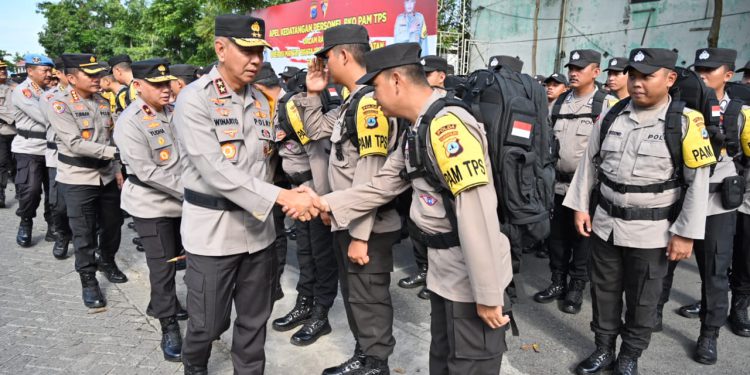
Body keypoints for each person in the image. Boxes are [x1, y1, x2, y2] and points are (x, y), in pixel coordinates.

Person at [292, 42, 514, 375]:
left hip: (470, 277)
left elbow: (477, 212)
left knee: (469, 363)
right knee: (443, 359)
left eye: (377, 87)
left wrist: (487, 292)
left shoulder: (446, 126)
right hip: (445, 272)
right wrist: (322, 202)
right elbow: (381, 185)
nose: (375, 98)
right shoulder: (418, 127)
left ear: (396, 80)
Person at [171, 14, 317, 375]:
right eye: (247, 51)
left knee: (254, 324)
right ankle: (195, 366)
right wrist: (283, 199)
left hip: (259, 232)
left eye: (260, 52)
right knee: (206, 324)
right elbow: (216, 170)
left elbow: (264, 163)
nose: (256, 60)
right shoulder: (194, 99)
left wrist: (297, 189)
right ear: (221, 49)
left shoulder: (262, 99)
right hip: (214, 234)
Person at [564, 48, 713, 375]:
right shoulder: (612, 114)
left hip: (653, 234)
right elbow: (589, 165)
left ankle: (629, 356)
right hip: (605, 225)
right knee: (603, 293)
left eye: (647, 75)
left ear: (670, 78)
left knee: (644, 300)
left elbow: (698, 183)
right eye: (634, 75)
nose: (637, 82)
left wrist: (685, 234)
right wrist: (579, 207)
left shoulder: (686, 122)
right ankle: (603, 349)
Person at [296, 24, 402, 375]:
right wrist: (314, 94)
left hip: (365, 225)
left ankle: (375, 364)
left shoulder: (370, 104)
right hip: (345, 218)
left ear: (342, 55)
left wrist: (359, 234)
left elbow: (372, 177)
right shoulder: (351, 101)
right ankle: (366, 353)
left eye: (326, 58)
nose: (324, 65)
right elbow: (314, 132)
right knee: (356, 295)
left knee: (368, 297)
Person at [658, 49, 750, 363]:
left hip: (717, 203)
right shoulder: (676, 106)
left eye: (711, 69)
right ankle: (652, 315)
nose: (702, 73)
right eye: (699, 68)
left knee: (714, 272)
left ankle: (708, 335)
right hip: (679, 197)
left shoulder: (740, 112)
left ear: (728, 74)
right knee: (664, 261)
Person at [113, 58, 186, 363]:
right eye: (157, 85)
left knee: (185, 260)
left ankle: (161, 303)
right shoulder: (130, 121)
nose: (166, 90)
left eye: (167, 83)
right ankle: (168, 324)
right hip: (151, 204)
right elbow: (147, 172)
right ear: (138, 86)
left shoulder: (176, 112)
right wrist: (195, 192)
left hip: (184, 204)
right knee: (163, 265)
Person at [534, 49, 616, 315]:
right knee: (557, 239)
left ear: (595, 72)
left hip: (588, 189)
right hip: (557, 185)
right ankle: (557, 281)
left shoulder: (606, 105)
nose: (573, 72)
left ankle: (576, 287)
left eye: (580, 68)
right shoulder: (558, 103)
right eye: (571, 67)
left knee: (582, 240)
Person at [48, 53, 126, 309]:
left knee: (113, 225)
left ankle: (107, 260)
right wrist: (114, 155)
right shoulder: (59, 104)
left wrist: (115, 168)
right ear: (71, 78)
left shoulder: (103, 102)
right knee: (83, 232)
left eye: (98, 74)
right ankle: (88, 279)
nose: (97, 78)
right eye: (90, 75)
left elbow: (109, 139)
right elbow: (74, 143)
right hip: (78, 178)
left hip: (105, 175)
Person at [396, 54, 450, 301]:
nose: (424, 79)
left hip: (437, 185)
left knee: (437, 231)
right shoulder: (418, 104)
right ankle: (424, 270)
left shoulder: (449, 105)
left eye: (428, 74)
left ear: (441, 76)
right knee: (416, 227)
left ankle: (436, 277)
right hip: (414, 178)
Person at [11, 53, 55, 247]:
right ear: (30, 71)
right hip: (29, 147)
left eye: (50, 70)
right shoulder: (24, 91)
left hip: (52, 148)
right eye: (44, 70)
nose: (49, 74)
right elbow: (45, 116)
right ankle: (26, 221)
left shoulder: (51, 90)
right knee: (31, 190)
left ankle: (53, 226)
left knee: (54, 193)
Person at [39, 57, 72, 259]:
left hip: (85, 158)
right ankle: (62, 235)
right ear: (59, 74)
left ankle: (86, 240)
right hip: (57, 155)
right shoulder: (50, 97)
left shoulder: (92, 98)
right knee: (58, 203)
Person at [0, 59, 15, 208]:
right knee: (2, 163)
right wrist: (12, 117)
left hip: (18, 131)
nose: (3, 71)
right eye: (0, 69)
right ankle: (1, 193)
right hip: (2, 130)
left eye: (4, 69)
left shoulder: (14, 86)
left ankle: (21, 190)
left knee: (17, 163)